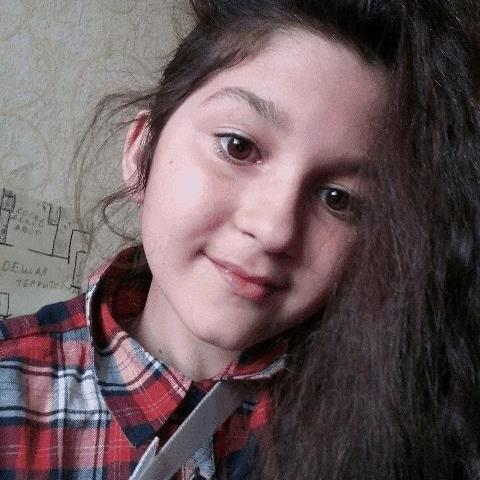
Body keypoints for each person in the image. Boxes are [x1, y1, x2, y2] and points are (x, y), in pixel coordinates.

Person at [1, 0, 479, 478]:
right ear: (142, 151)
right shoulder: (12, 387)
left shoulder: (411, 423)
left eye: (338, 198)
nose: (275, 231)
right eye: (238, 147)